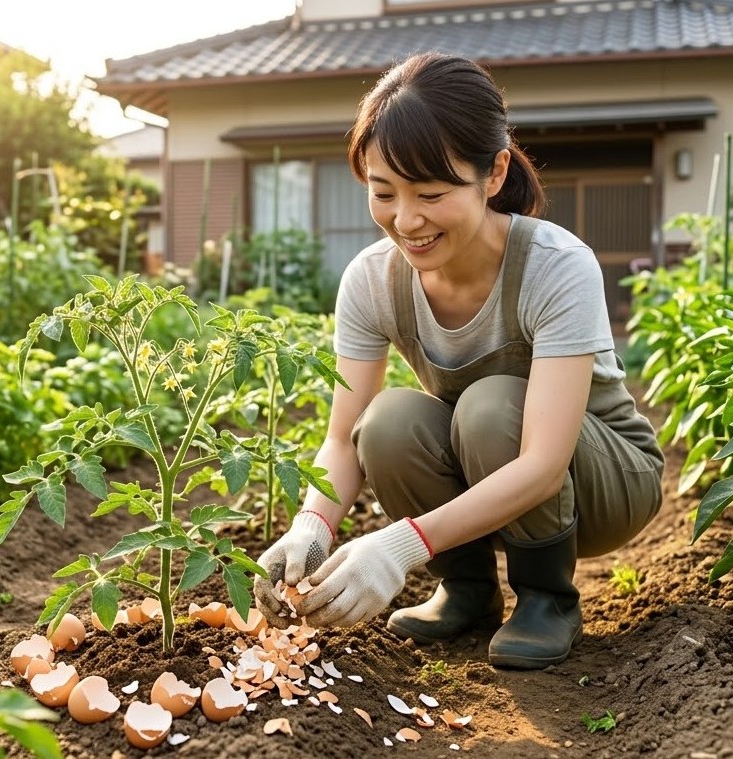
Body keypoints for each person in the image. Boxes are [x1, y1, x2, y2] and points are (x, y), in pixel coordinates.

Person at [252, 53, 665, 669]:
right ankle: (467, 591)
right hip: (487, 465)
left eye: (432, 193)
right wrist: (312, 529)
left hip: (604, 481)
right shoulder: (372, 280)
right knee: (385, 422)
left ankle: (546, 597)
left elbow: (545, 464)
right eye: (383, 193)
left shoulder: (555, 265)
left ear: (494, 173)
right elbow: (341, 440)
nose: (406, 220)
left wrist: (398, 547)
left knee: (490, 404)